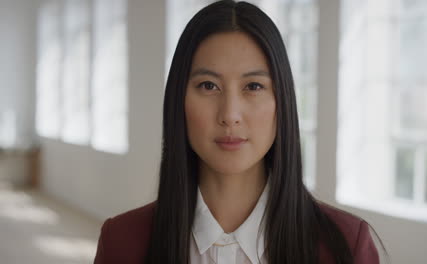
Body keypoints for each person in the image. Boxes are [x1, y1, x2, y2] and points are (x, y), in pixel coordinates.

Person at [94, 1, 381, 263]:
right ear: (178, 100)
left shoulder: (347, 247)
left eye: (253, 86)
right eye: (208, 86)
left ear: (282, 101)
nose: (230, 115)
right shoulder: (121, 243)